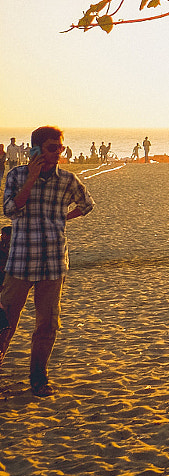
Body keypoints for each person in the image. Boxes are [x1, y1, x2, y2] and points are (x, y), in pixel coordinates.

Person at [0, 125, 94, 395]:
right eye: (53, 147)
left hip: (53, 263)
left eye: (61, 147)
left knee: (47, 324)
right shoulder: (16, 176)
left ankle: (39, 377)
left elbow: (87, 205)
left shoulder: (67, 179)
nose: (58, 153)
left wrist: (63, 218)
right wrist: (31, 178)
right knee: (6, 320)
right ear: (37, 149)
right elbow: (10, 211)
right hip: (20, 261)